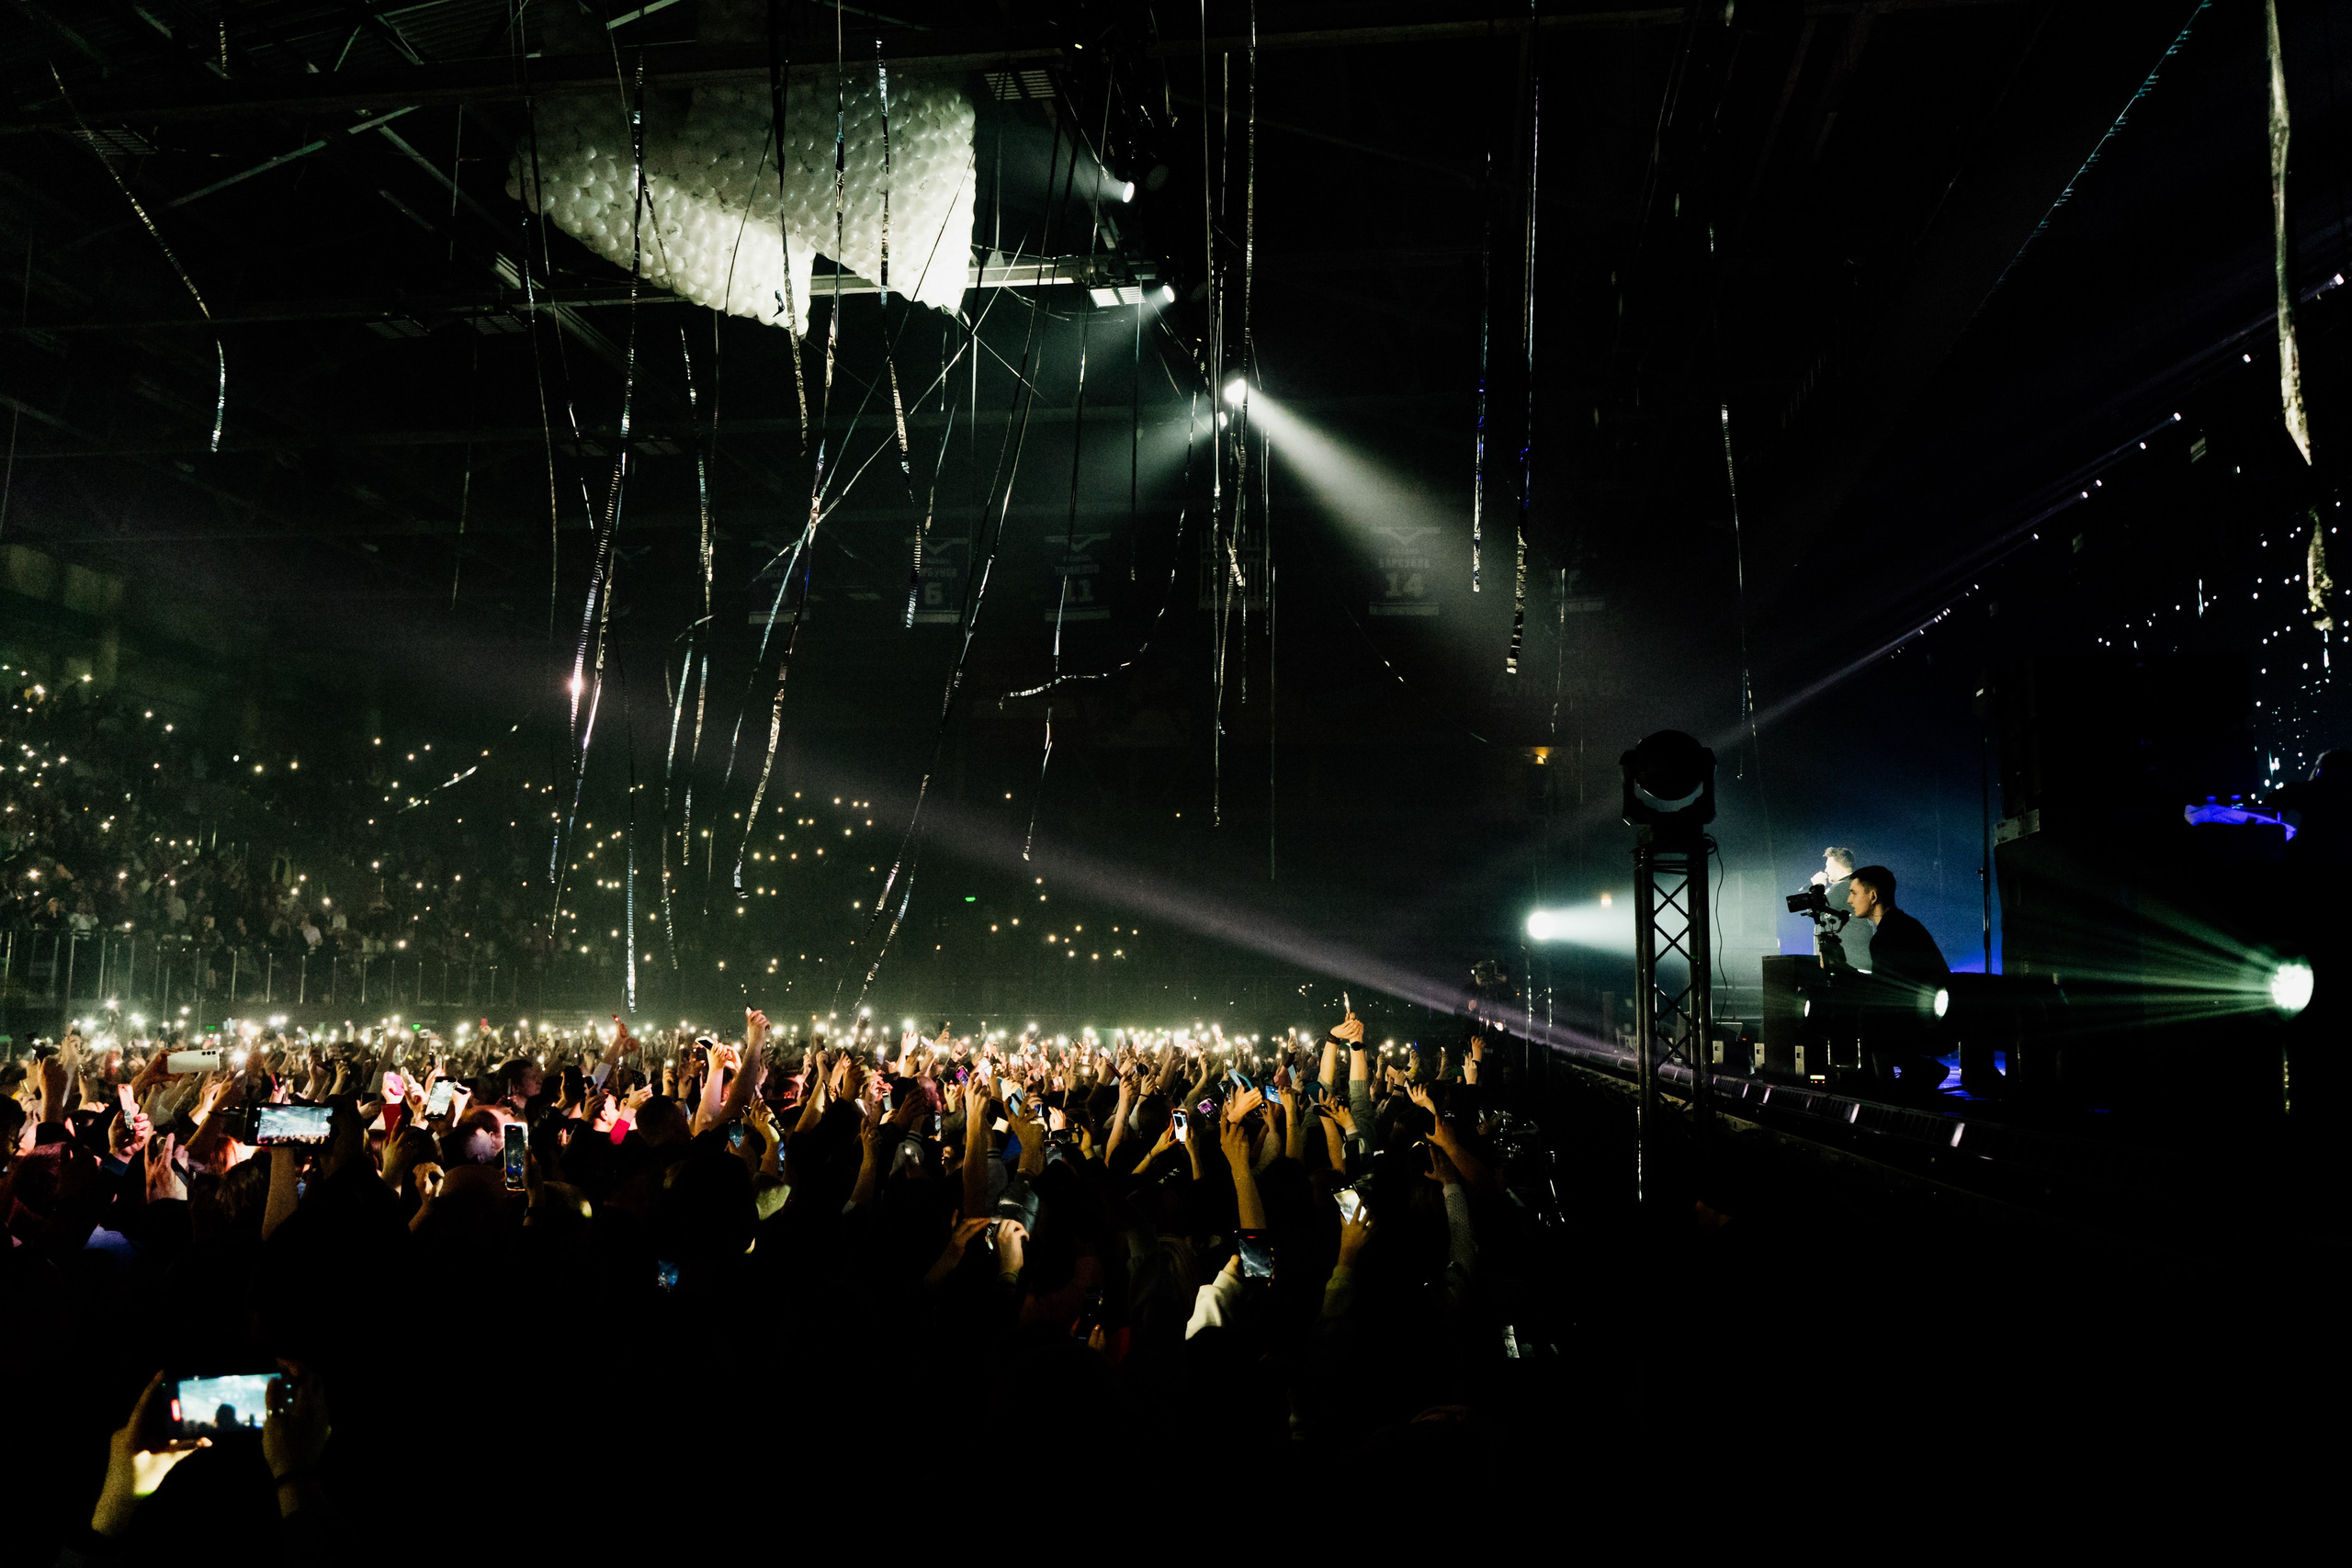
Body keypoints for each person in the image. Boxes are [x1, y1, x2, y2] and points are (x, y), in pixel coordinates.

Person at [1847, 864, 1951, 1100]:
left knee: (1864, 1016)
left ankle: (1886, 1090)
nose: (1849, 900)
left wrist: (1843, 972)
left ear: (1873, 896)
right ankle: (1917, 1069)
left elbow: (1884, 992)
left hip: (1924, 1018)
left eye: (1854, 892)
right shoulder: (1902, 924)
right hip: (1929, 1013)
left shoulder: (1889, 934)